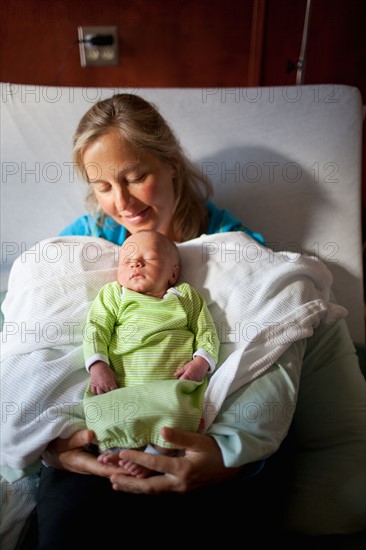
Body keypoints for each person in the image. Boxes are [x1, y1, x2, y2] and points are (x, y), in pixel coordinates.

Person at [36, 93, 365, 547]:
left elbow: (268, 344)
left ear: (171, 164)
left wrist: (228, 456)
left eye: (136, 177)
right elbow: (34, 343)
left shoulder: (235, 249)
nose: (122, 202)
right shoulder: (82, 245)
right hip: (103, 437)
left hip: (198, 435)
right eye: (103, 186)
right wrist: (52, 445)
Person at [83, 229, 220, 478]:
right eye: (127, 260)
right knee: (108, 411)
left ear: (173, 273)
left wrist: (201, 362)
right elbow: (96, 329)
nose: (136, 263)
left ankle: (156, 454)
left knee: (178, 411)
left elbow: (207, 332)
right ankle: (119, 448)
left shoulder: (185, 296)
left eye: (149, 259)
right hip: (122, 382)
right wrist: (98, 366)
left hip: (169, 384)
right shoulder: (115, 294)